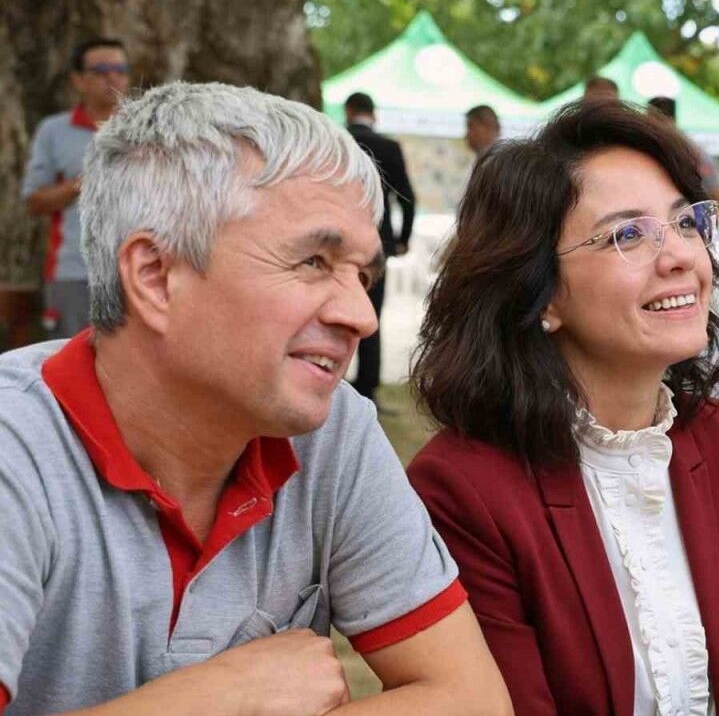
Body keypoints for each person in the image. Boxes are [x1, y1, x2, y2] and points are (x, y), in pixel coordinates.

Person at [0, 82, 510, 715]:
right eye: (314, 262)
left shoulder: (332, 433)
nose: (362, 315)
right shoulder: (16, 445)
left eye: (363, 275)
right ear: (156, 277)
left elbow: (472, 700)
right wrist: (217, 698)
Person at [407, 100, 719, 716]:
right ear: (541, 293)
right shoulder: (465, 490)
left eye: (685, 223)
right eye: (628, 235)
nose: (680, 256)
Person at [22, 38, 129, 340]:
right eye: (101, 70)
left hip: (135, 270)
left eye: (120, 69)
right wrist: (83, 182)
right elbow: (34, 201)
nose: (113, 77)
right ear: (78, 80)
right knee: (70, 354)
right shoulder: (54, 131)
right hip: (73, 271)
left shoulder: (147, 128)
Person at [343, 91, 416, 409]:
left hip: (337, 242)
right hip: (377, 245)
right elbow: (407, 198)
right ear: (373, 114)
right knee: (371, 314)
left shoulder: (338, 141)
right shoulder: (389, 147)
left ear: (349, 111)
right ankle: (367, 389)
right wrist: (402, 238)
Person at [647, 96, 719, 216]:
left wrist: (709, 226)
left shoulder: (693, 153)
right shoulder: (646, 151)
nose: (651, 128)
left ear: (671, 120)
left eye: (657, 121)